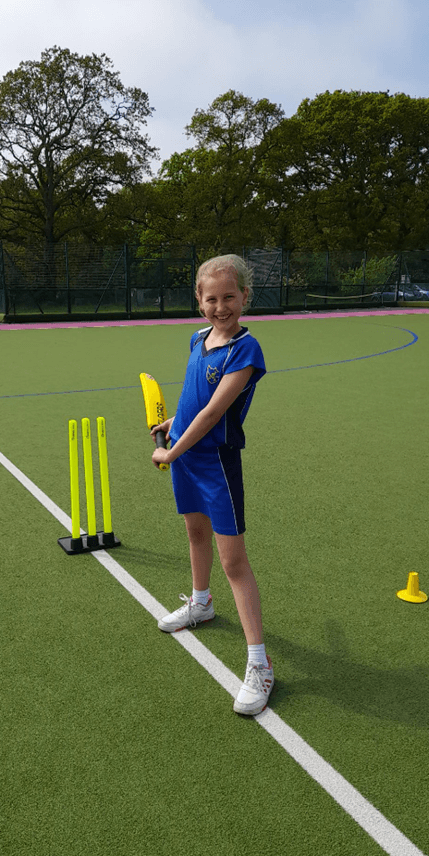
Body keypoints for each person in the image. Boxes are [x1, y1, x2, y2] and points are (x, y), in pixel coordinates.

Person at [150, 254, 273, 716]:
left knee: (234, 561)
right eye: (211, 298)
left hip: (215, 462)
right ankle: (200, 604)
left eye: (229, 297)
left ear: (245, 297)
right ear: (199, 301)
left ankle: (260, 665)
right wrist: (172, 422)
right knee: (194, 534)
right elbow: (191, 401)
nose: (220, 306)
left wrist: (171, 450)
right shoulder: (198, 338)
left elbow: (213, 413)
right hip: (185, 453)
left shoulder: (246, 350)